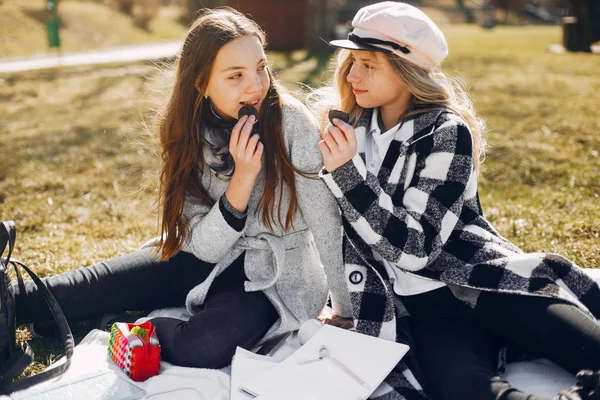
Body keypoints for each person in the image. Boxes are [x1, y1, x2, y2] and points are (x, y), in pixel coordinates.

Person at [8, 7, 352, 369]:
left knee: (203, 347)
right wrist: (242, 180)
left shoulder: (291, 123)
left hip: (271, 280)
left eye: (261, 67)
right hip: (198, 256)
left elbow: (325, 221)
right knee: (68, 290)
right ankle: (40, 306)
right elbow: (202, 247)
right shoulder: (187, 131)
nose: (255, 85)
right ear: (201, 82)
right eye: (235, 75)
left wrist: (344, 308)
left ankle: (111, 324)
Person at [310, 2, 600, 400]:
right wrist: (337, 299)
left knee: (591, 349)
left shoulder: (447, 133)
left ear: (406, 70)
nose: (353, 75)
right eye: (352, 62)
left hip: (483, 280)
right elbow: (330, 231)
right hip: (424, 307)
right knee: (463, 389)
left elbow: (416, 248)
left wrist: (347, 173)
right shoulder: (344, 129)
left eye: (369, 65)